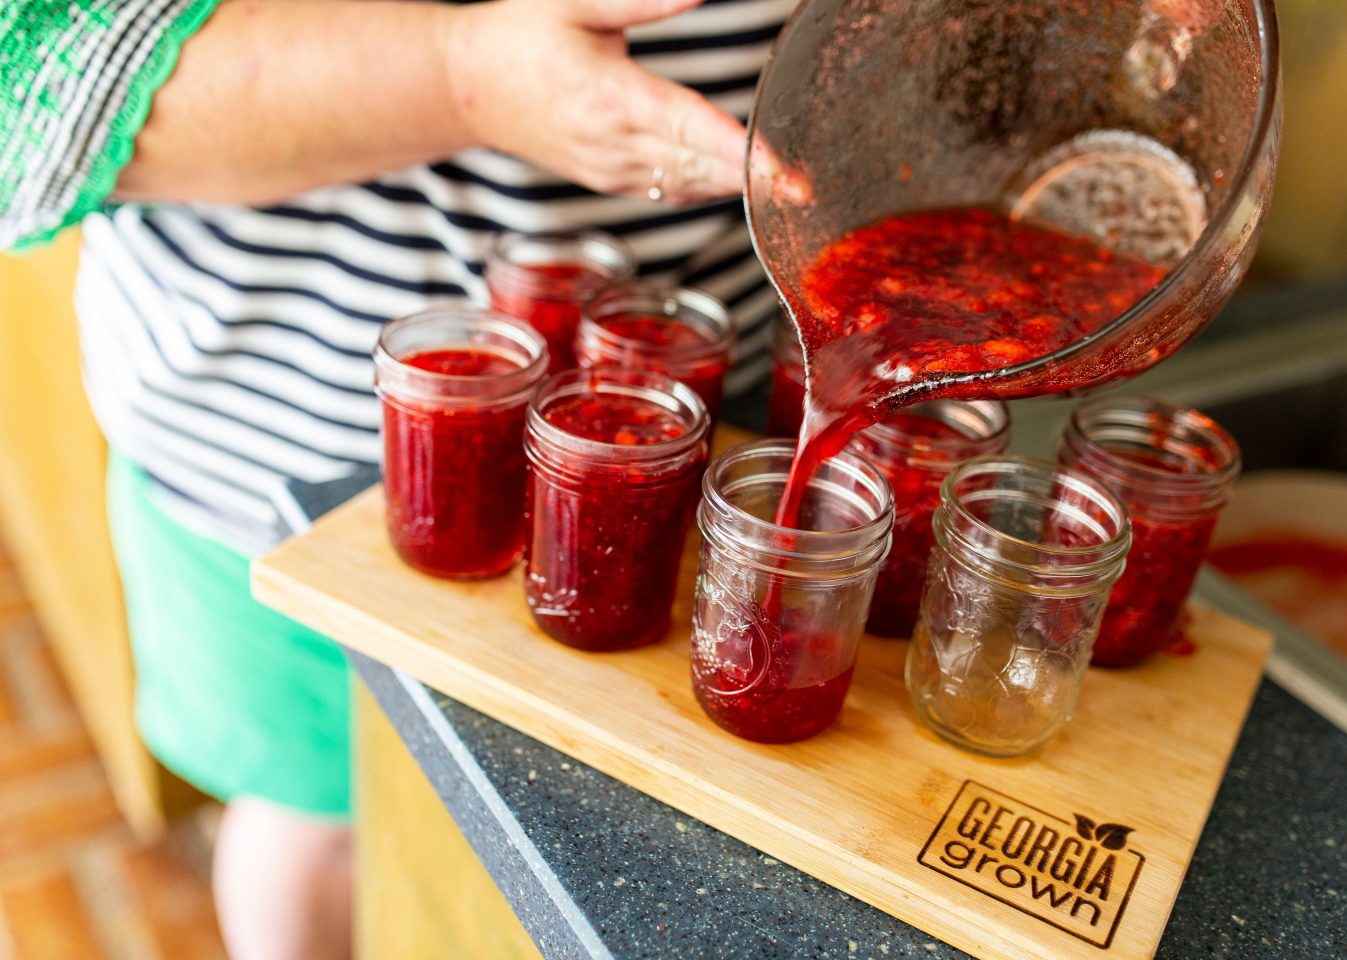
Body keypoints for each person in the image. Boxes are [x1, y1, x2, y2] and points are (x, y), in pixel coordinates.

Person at [0, 0, 786, 956]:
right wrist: (464, 77)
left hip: (706, 405)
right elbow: (27, 84)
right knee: (315, 818)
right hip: (293, 454)